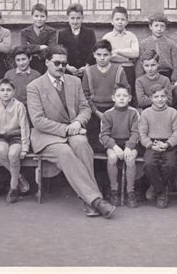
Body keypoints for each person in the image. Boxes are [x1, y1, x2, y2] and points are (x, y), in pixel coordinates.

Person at [27, 45, 116, 218]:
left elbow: (85, 108)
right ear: (46, 62)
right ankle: (96, 201)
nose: (61, 67)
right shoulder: (35, 86)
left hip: (73, 130)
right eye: (57, 63)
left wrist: (77, 122)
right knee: (65, 152)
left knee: (82, 145)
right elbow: (38, 120)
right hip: (47, 136)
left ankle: (88, 199)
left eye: (64, 63)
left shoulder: (74, 82)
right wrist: (67, 129)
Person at [0, 79, 31, 203]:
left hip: (16, 136)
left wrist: (25, 147)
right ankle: (19, 177)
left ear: (13, 92)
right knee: (0, 151)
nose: (5, 93)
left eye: (8, 90)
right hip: (2, 137)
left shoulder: (19, 106)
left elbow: (24, 127)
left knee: (12, 154)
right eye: (2, 90)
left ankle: (13, 189)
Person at [82, 39, 127, 152]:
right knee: (92, 137)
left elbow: (125, 93)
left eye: (105, 55)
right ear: (94, 55)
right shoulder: (88, 72)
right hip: (94, 109)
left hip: (114, 108)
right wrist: (96, 112)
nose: (102, 58)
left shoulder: (119, 71)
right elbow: (85, 95)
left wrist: (111, 112)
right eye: (99, 55)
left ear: (111, 55)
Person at [99, 83, 140, 208]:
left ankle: (130, 191)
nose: (122, 98)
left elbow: (136, 133)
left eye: (125, 95)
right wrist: (115, 147)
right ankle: (114, 190)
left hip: (130, 143)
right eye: (119, 96)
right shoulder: (107, 114)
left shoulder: (134, 113)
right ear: (113, 98)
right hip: (113, 143)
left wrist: (128, 146)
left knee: (130, 158)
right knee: (112, 158)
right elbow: (104, 135)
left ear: (130, 98)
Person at [140, 84, 177, 209]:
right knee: (149, 164)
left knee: (170, 164)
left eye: (163, 96)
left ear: (167, 97)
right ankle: (161, 191)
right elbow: (142, 134)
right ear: (151, 98)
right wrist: (151, 145)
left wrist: (168, 144)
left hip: (168, 144)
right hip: (152, 144)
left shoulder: (173, 112)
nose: (160, 99)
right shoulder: (146, 113)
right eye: (156, 97)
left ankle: (156, 187)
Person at [102, 6, 139, 103]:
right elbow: (105, 55)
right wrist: (126, 54)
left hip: (128, 69)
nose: (120, 22)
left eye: (123, 19)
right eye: (117, 19)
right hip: (112, 68)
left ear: (127, 22)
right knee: (114, 94)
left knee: (128, 94)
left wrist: (117, 51)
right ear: (112, 21)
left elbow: (135, 53)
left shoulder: (131, 36)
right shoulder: (107, 37)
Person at [135, 13, 177, 81]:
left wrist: (174, 79)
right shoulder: (143, 43)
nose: (159, 29)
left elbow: (176, 64)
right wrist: (139, 79)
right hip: (148, 75)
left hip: (166, 74)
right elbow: (139, 64)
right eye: (156, 26)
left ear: (165, 28)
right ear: (150, 26)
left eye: (162, 26)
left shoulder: (171, 44)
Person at [57, 3, 97, 78]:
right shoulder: (62, 34)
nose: (75, 21)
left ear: (82, 18)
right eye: (72, 18)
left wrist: (86, 67)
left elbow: (93, 51)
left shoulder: (89, 33)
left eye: (78, 18)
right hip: (68, 71)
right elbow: (60, 52)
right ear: (68, 18)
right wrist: (68, 67)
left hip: (86, 70)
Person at [20, 3, 57, 74]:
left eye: (42, 16)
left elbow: (52, 48)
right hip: (31, 63)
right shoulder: (25, 31)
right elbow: (24, 47)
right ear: (32, 17)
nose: (39, 19)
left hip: (45, 63)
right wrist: (40, 47)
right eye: (36, 16)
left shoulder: (51, 31)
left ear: (46, 17)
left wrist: (31, 47)